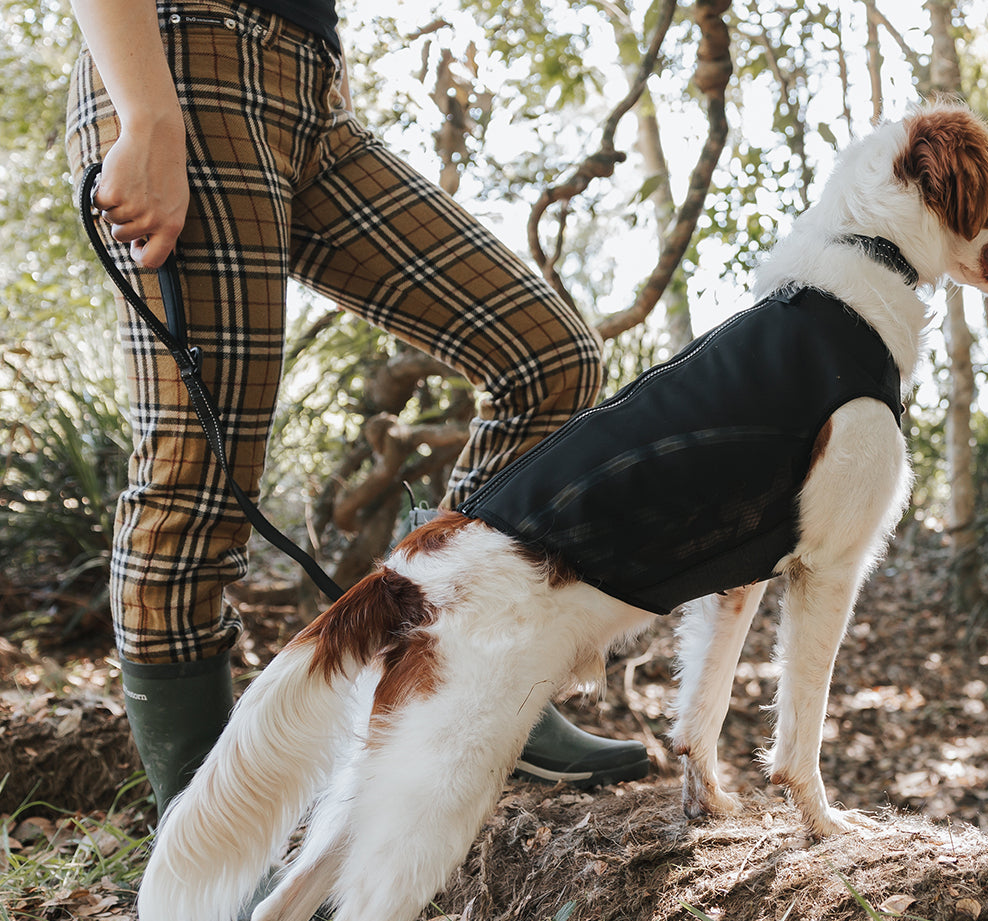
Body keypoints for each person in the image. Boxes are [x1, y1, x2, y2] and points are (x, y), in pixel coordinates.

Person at [65, 0, 648, 819]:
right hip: (183, 60)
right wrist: (148, 112)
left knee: (545, 355)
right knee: (196, 479)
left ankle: (462, 678)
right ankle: (204, 844)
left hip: (313, 91)